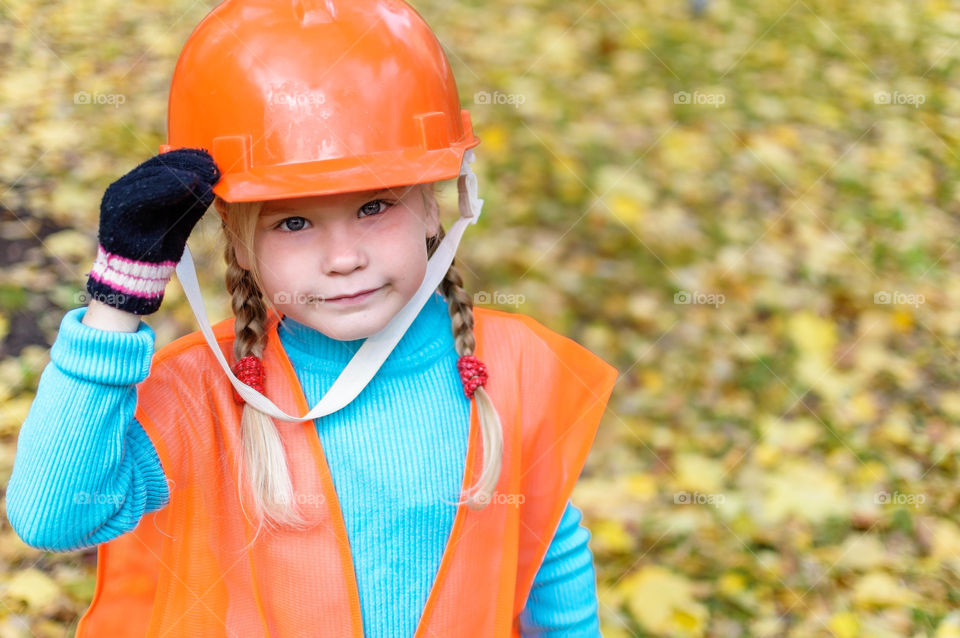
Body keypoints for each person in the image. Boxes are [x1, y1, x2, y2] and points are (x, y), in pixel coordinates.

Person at [5, 0, 619, 636]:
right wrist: (115, 302)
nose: (344, 258)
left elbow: (548, 545)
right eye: (293, 222)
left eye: (375, 207)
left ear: (437, 205)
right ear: (239, 243)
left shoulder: (513, 366)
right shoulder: (203, 394)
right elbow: (53, 517)